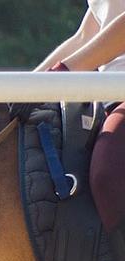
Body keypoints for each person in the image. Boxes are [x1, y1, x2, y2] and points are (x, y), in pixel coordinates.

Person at [33, 1, 125, 236]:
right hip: (110, 96)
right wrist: (26, 87)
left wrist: (62, 74)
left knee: (108, 171)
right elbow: (86, 36)